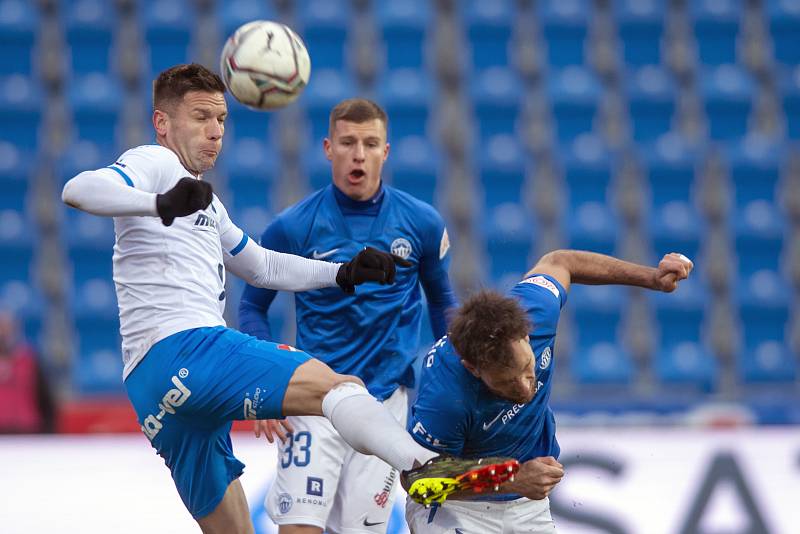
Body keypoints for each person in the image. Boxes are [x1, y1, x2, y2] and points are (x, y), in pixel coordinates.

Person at [60, 64, 506, 534]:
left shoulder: (207, 204)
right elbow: (79, 189)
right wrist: (159, 204)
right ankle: (424, 464)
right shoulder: (153, 163)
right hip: (187, 347)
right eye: (200, 118)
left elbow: (262, 266)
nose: (215, 132)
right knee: (339, 386)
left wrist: (342, 273)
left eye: (222, 120)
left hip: (152, 387)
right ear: (162, 123)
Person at [238, 97, 457, 534]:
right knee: (299, 527)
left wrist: (452, 385)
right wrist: (262, 384)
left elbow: (442, 305)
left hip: (383, 405)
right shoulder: (291, 227)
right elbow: (251, 307)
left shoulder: (423, 224)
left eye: (370, 143)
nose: (359, 154)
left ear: (385, 151)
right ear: (327, 148)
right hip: (313, 399)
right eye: (348, 142)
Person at [406, 249, 694, 532]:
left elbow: (561, 261)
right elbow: (418, 481)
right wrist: (510, 480)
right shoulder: (446, 397)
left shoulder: (537, 309)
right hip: (457, 510)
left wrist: (652, 278)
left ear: (526, 335)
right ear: (473, 368)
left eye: (527, 367)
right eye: (506, 383)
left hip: (527, 504)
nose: (524, 388)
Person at [0, 310, 56, 433]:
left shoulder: (30, 361)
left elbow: (46, 402)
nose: (2, 333)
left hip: (27, 434)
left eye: (6, 328)